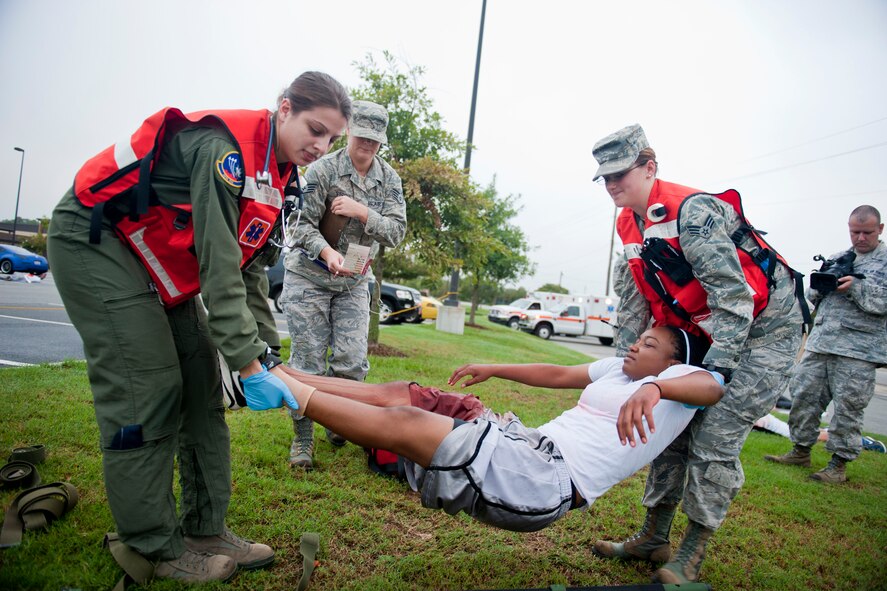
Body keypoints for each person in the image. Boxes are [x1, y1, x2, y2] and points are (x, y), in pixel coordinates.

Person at [46, 72, 350, 583]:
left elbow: (250, 265)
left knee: (201, 385)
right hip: (96, 238)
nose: (320, 146)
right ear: (284, 109)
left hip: (153, 253)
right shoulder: (224, 150)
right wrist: (247, 362)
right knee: (149, 386)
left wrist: (265, 354)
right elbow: (218, 268)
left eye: (331, 139)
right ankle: (150, 545)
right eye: (314, 129)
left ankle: (205, 527)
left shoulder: (278, 177)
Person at [590, 124, 806, 584]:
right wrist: (626, 366)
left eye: (619, 175)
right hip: (707, 330)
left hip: (767, 331)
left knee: (715, 433)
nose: (611, 185)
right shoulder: (628, 221)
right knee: (670, 425)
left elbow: (734, 297)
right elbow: (632, 300)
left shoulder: (693, 211)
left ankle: (692, 552)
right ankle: (654, 536)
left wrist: (718, 373)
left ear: (650, 167)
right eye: (604, 178)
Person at [266, 326, 723, 532]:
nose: (633, 345)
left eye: (648, 344)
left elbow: (713, 386)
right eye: (638, 337)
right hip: (522, 440)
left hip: (548, 481)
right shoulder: (619, 371)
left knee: (405, 424)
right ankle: (289, 373)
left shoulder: (681, 386)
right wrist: (494, 367)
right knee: (407, 394)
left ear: (672, 361)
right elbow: (557, 373)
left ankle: (282, 388)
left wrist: (657, 390)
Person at [280, 100, 406, 470]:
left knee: (352, 362)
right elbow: (298, 226)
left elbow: (397, 232)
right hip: (310, 277)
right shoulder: (322, 170)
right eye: (362, 136)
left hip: (354, 282)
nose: (368, 145)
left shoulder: (389, 180)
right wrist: (325, 253)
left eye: (375, 140)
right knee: (308, 364)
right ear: (350, 131)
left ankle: (339, 421)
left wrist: (362, 211)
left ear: (382, 142)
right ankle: (302, 439)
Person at [765, 205, 887, 481]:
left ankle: (838, 464)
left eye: (867, 232)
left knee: (848, 407)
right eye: (855, 232)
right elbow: (813, 296)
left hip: (859, 350)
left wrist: (855, 286)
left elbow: (882, 303)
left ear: (879, 229)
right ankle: (800, 449)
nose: (860, 238)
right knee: (803, 396)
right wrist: (819, 285)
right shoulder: (839, 257)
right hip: (821, 343)